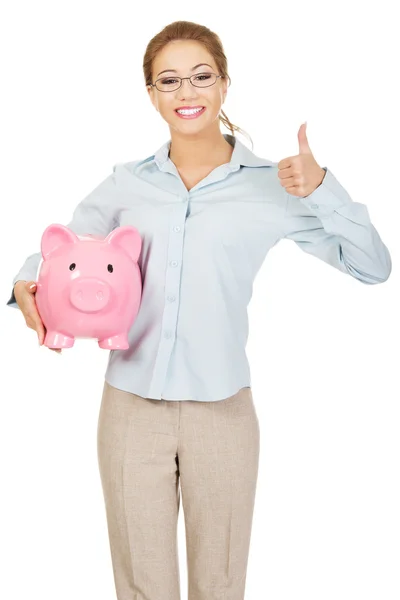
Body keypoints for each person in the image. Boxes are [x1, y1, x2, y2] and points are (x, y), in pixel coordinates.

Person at [6, 19, 392, 600]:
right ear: (152, 94)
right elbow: (60, 250)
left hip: (224, 413)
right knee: (141, 587)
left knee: (220, 585)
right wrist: (24, 285)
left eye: (200, 77)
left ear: (225, 84)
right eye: (169, 81)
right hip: (130, 409)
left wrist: (323, 189)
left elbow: (373, 266)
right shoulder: (126, 184)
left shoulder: (274, 186)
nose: (187, 93)